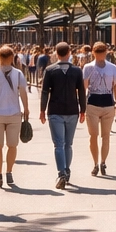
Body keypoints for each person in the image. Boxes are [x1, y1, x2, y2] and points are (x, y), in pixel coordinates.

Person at [39, 42, 86, 189]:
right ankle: (66, 170)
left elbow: (45, 92)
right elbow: (81, 91)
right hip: (72, 110)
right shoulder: (77, 71)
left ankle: (61, 173)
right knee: (68, 144)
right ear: (69, 53)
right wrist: (83, 110)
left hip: (55, 110)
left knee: (58, 144)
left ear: (56, 54)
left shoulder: (50, 70)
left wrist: (42, 110)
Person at [0, 45, 30, 189]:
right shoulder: (18, 74)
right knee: (12, 145)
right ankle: (9, 172)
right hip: (14, 113)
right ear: (12, 58)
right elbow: (23, 92)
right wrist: (26, 109)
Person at [81, 42, 116, 177]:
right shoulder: (88, 67)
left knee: (106, 136)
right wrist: (82, 105)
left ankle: (103, 162)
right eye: (98, 52)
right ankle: (95, 163)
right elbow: (84, 87)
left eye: (102, 52)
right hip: (93, 103)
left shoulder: (112, 67)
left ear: (106, 52)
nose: (100, 55)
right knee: (93, 136)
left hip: (108, 103)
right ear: (93, 53)